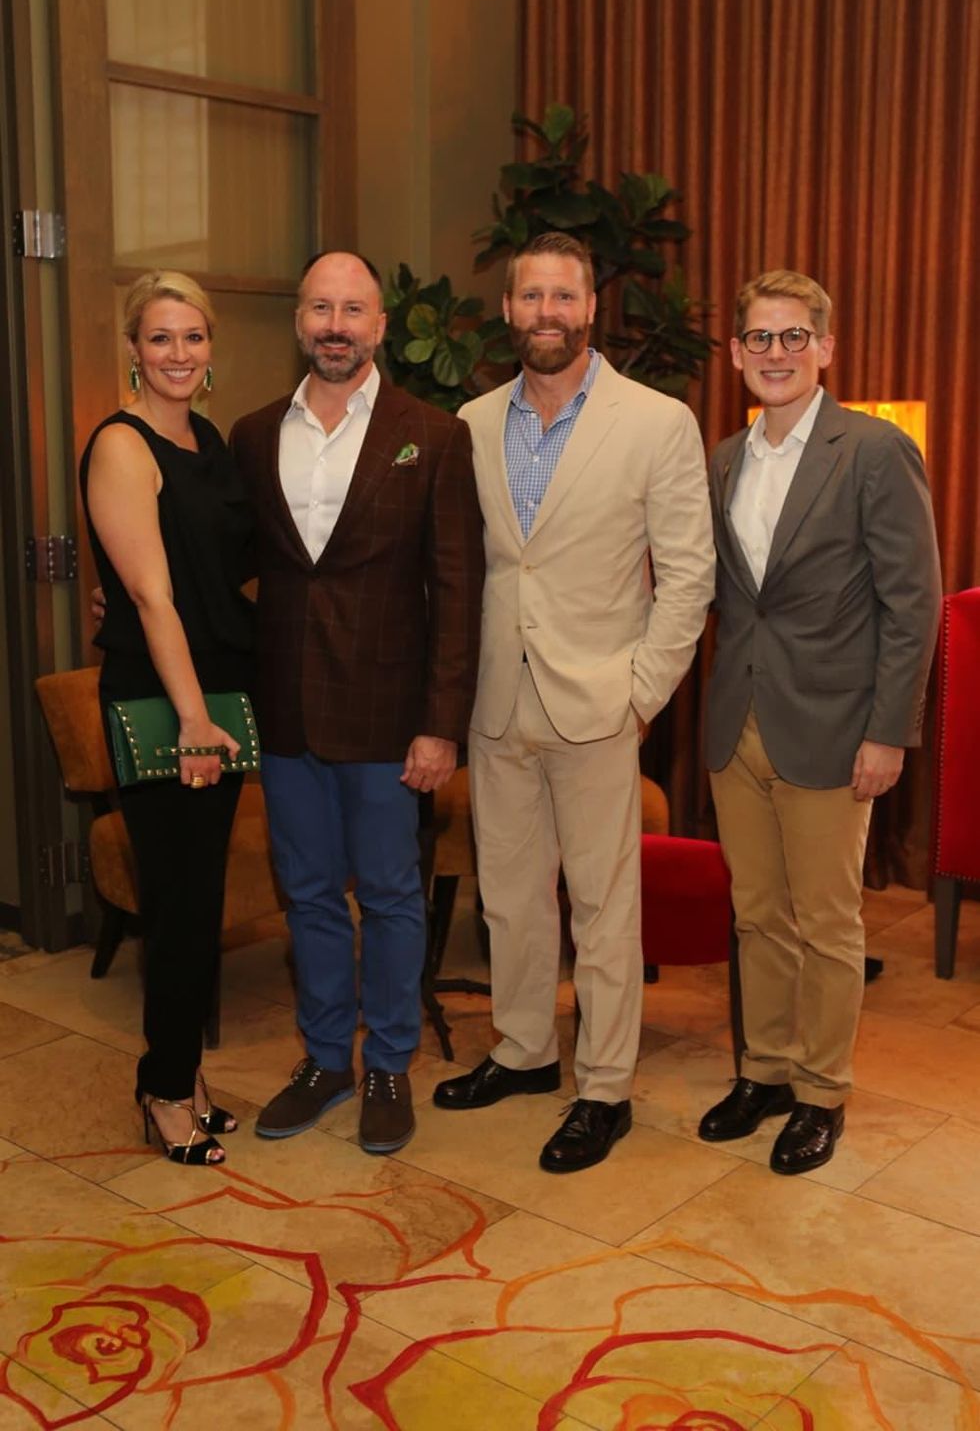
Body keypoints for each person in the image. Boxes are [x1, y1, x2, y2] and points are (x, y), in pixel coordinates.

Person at [433, 231, 715, 1172]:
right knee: (509, 898)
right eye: (529, 297)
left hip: (600, 703)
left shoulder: (655, 421)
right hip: (496, 704)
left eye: (564, 296)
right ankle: (522, 1053)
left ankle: (604, 1088)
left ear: (590, 308)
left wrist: (639, 696)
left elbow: (687, 579)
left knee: (602, 908)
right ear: (507, 310)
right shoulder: (467, 423)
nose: (546, 312)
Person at [230, 251, 483, 1155]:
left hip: (389, 717)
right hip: (289, 708)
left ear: (381, 326)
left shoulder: (434, 435)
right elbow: (231, 566)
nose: (335, 326)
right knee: (304, 894)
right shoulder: (255, 434)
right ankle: (327, 1059)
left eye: (354, 311)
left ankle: (390, 1067)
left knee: (388, 894)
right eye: (320, 309)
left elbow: (458, 591)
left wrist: (440, 723)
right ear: (299, 322)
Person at [698, 269, 941, 1174]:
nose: (776, 354)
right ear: (735, 354)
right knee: (757, 913)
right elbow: (720, 597)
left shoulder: (873, 451)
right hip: (739, 721)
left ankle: (820, 1091)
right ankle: (761, 1071)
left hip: (837, 726)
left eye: (794, 336)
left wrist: (890, 732)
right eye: (759, 338)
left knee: (829, 919)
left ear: (826, 348)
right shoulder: (721, 458)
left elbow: (912, 606)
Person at [80, 270, 255, 1166]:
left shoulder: (209, 441)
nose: (179, 354)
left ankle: (185, 1075)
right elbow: (149, 596)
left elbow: (215, 569)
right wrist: (193, 717)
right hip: (167, 702)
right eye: (160, 338)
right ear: (134, 349)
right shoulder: (122, 443)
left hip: (219, 693)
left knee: (201, 901)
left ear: (209, 348)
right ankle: (159, 1088)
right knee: (179, 903)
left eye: (193, 337)